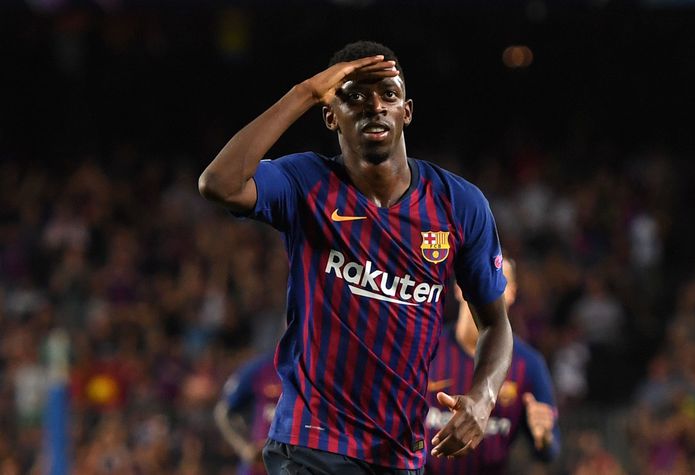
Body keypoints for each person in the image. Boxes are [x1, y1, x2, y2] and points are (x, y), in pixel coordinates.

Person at [199, 40, 513, 474]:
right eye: (354, 96)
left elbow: (495, 324)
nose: (374, 106)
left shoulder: (459, 205)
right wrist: (306, 91)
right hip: (309, 443)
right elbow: (219, 182)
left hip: (398, 455)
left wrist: (483, 398)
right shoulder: (305, 181)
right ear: (331, 115)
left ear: (407, 111)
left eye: (388, 94)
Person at [425, 257, 561, 474]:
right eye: (481, 278)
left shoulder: (529, 364)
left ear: (513, 293)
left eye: (501, 281)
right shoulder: (427, 348)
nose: (490, 288)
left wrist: (544, 437)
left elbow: (548, 452)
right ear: (459, 287)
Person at [214, 353, 282, 475]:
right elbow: (223, 411)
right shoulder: (261, 368)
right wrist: (245, 448)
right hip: (257, 467)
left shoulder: (315, 371)